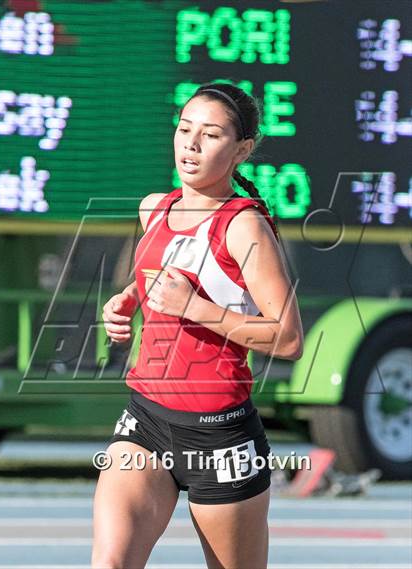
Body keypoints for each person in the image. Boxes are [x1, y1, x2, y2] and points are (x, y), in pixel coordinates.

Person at [92, 82, 304, 569]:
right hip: (146, 421)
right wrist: (126, 300)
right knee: (111, 563)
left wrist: (194, 308)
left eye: (209, 135)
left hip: (222, 438)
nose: (190, 144)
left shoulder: (244, 226)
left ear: (241, 150)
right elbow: (162, 274)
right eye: (185, 129)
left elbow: (288, 337)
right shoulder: (155, 208)